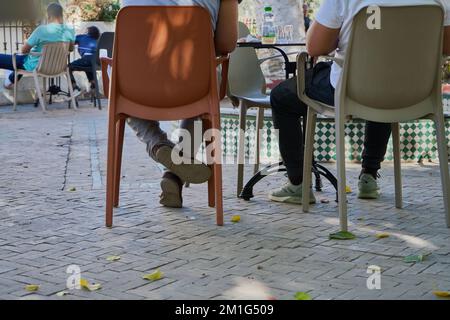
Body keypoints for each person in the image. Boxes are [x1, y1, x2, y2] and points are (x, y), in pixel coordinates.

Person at [269, 0, 450, 205]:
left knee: (281, 96)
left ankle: (298, 184)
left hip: (352, 90)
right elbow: (446, 45)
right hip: (414, 93)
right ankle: (369, 176)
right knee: (384, 85)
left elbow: (315, 46)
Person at [120, 0, 240, 208]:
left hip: (135, 84)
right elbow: (226, 45)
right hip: (191, 82)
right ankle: (174, 175)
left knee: (120, 89)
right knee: (205, 90)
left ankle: (158, 145)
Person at [0, 3, 75, 90]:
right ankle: (9, 81)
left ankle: (8, 81)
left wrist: (27, 42)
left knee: (21, 60)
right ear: (61, 14)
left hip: (36, 66)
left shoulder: (42, 30)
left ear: (48, 15)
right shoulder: (70, 30)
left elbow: (24, 50)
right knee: (23, 60)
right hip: (58, 68)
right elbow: (71, 49)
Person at [69, 26, 101, 95]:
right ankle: (93, 86)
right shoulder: (97, 39)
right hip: (98, 61)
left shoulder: (82, 37)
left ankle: (74, 86)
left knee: (68, 67)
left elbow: (70, 42)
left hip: (87, 58)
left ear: (87, 32)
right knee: (88, 66)